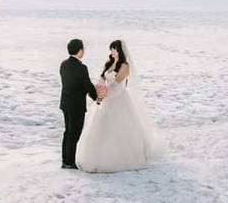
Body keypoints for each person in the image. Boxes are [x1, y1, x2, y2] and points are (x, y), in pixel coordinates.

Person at [75, 40, 163, 173]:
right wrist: (99, 90)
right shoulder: (109, 64)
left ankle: (120, 158)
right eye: (111, 49)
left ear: (120, 51)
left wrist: (104, 93)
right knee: (100, 128)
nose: (112, 51)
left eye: (115, 49)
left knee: (119, 128)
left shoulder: (125, 65)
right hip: (106, 99)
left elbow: (117, 84)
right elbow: (102, 79)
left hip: (118, 99)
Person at [59, 38, 98, 169]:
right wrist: (97, 98)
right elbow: (87, 85)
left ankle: (65, 160)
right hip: (76, 105)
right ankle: (70, 162)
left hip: (65, 102)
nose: (84, 51)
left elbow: (72, 83)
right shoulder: (81, 68)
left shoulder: (63, 64)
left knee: (68, 131)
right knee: (74, 133)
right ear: (79, 50)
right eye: (83, 49)